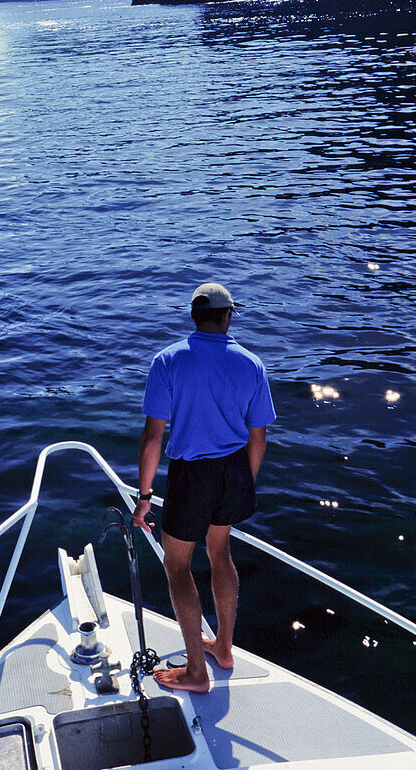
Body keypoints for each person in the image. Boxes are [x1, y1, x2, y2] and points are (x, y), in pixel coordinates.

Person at [132, 282, 276, 693]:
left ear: (194, 315)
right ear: (228, 315)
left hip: (192, 474)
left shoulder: (168, 361)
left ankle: (197, 672)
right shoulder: (251, 363)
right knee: (220, 551)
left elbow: (153, 437)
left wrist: (144, 498)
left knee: (177, 566)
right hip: (234, 470)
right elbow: (259, 437)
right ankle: (224, 648)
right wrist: (243, 481)